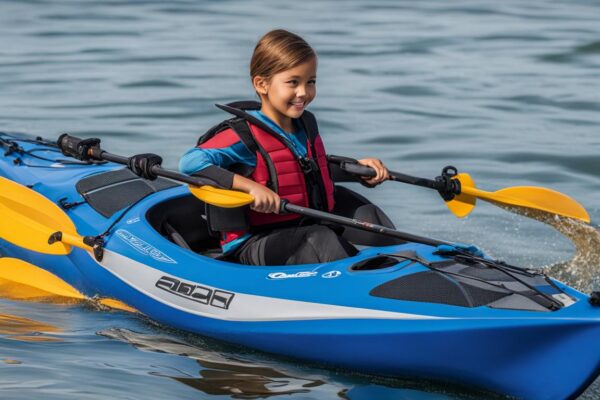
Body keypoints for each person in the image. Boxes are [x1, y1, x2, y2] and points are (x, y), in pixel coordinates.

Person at [179, 29, 391, 266]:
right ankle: (365, 289)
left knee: (369, 218)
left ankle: (410, 271)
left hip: (304, 228)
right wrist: (250, 188)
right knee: (320, 238)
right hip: (255, 243)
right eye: (293, 82)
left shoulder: (305, 125)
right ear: (261, 84)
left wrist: (358, 170)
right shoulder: (243, 134)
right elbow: (189, 162)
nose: (303, 93)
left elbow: (307, 171)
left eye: (310, 82)